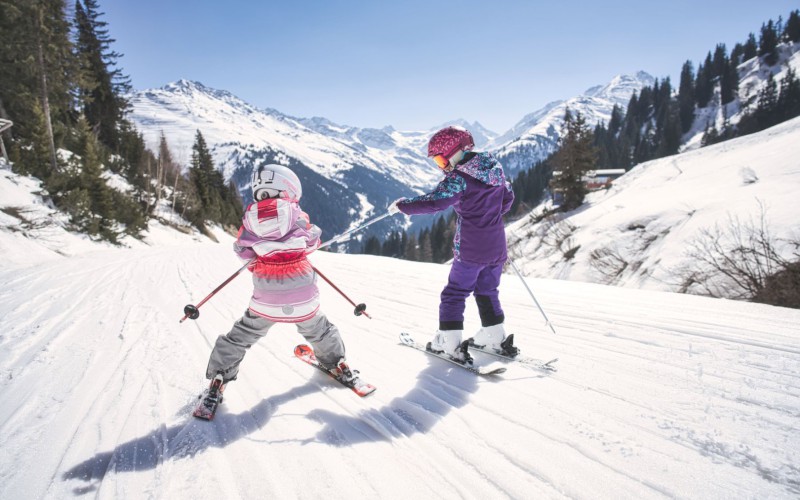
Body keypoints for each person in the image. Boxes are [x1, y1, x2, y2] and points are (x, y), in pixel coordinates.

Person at [196, 164, 359, 416]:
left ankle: (219, 378)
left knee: (240, 336)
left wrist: (261, 263)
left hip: (266, 299)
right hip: (303, 294)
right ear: (288, 189)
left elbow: (242, 250)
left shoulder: (249, 219)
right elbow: (313, 239)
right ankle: (337, 363)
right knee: (319, 328)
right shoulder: (297, 214)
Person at [389, 126, 518, 364]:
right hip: (496, 244)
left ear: (456, 151)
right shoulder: (494, 170)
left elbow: (436, 202)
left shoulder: (460, 179)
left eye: (440, 158)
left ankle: (449, 343)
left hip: (471, 248)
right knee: (487, 290)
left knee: (455, 293)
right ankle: (495, 337)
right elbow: (508, 197)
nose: (441, 165)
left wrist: (403, 205)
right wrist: (489, 215)